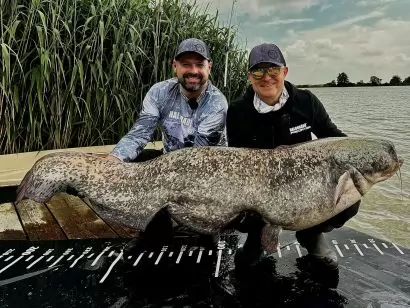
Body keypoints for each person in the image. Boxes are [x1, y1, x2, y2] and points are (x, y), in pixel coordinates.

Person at [226, 43, 360, 266]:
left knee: (350, 197)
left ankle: (311, 233)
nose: (266, 77)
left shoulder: (306, 101)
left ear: (285, 72)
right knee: (234, 205)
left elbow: (337, 140)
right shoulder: (237, 110)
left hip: (305, 187)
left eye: (273, 70)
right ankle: (257, 239)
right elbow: (235, 161)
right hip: (259, 188)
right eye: (259, 70)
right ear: (250, 76)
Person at [107, 38, 228, 163]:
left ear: (209, 67)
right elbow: (139, 134)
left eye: (199, 64)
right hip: (169, 159)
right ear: (175, 66)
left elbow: (197, 156)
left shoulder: (216, 104)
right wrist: (112, 162)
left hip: (206, 165)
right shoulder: (159, 92)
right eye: (186, 64)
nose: (193, 71)